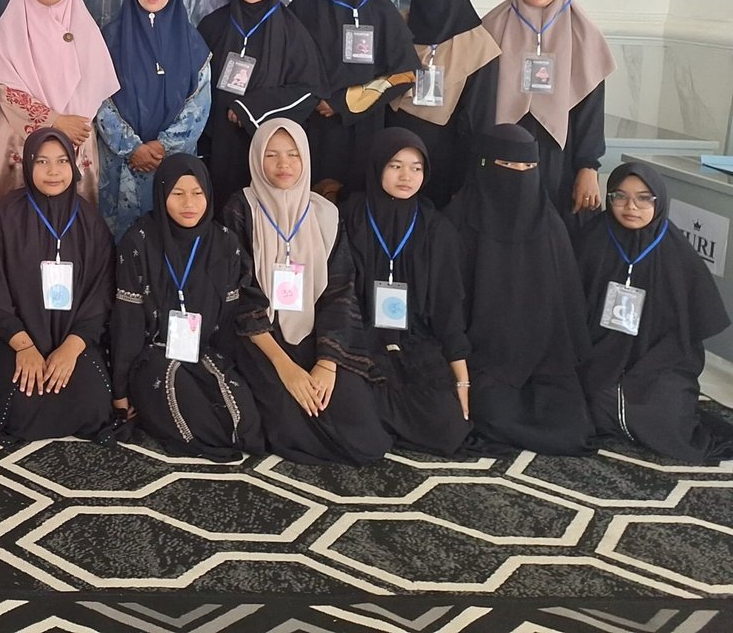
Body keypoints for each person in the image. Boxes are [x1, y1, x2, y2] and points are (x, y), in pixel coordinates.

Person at [224, 119, 392, 465]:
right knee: (288, 426)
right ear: (256, 158)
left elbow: (340, 291)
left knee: (366, 438)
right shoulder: (240, 209)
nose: (283, 164)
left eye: (293, 154)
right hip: (261, 337)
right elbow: (241, 293)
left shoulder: (325, 214)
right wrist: (285, 367)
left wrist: (327, 364)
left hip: (316, 334)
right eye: (271, 155)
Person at [445, 125, 594, 455]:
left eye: (529, 167)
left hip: (544, 360)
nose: (520, 174)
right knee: (489, 411)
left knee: (571, 426)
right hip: (479, 358)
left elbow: (565, 310)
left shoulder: (550, 226)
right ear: (484, 164)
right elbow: (446, 307)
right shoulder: (456, 222)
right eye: (508, 165)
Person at [574, 163, 733, 463]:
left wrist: (644, 368)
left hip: (660, 360)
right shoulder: (592, 239)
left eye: (644, 198)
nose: (631, 207)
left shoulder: (676, 252)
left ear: (659, 201)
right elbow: (570, 310)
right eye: (620, 196)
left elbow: (685, 334)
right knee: (584, 402)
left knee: (664, 413)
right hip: (596, 352)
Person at [110, 155, 265, 459]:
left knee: (243, 422)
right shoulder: (139, 241)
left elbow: (229, 320)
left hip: (205, 351)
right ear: (161, 194)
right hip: (153, 353)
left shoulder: (224, 243)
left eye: (197, 193)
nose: (189, 203)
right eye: (177, 193)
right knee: (190, 413)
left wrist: (225, 369)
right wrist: (120, 392)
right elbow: (127, 323)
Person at [0, 128, 115, 442]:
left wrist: (71, 348)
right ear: (27, 164)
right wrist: (23, 346)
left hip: (71, 337)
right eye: (42, 161)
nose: (53, 171)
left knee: (93, 401)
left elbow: (100, 292)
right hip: (11, 338)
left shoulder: (90, 222)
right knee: (18, 404)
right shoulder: (2, 218)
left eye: (62, 161)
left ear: (74, 165)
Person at [341, 129, 472, 457]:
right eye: (395, 166)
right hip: (357, 336)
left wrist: (462, 379)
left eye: (416, 168)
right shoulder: (349, 216)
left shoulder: (435, 228)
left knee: (448, 426)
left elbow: (447, 307)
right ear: (377, 166)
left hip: (414, 340)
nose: (406, 176)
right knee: (355, 406)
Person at [481, 0, 615, 218]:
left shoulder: (583, 33)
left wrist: (588, 167)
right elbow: (477, 101)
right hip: (502, 150)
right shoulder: (493, 26)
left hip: (559, 157)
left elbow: (591, 110)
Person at [0, 0, 118, 214]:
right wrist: (55, 121)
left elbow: (95, 84)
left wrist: (70, 125)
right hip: (18, 132)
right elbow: (5, 88)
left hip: (75, 132)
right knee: (14, 216)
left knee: (71, 215)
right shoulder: (11, 27)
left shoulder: (85, 28)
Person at [289, 0, 419, 199]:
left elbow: (405, 73)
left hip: (365, 125)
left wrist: (345, 102)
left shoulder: (381, 9)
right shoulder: (301, 8)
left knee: (359, 194)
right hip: (312, 122)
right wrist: (314, 99)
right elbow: (286, 66)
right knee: (312, 196)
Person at [196, 0, 325, 204]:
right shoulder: (213, 25)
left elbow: (310, 89)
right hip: (215, 142)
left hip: (266, 146)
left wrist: (251, 108)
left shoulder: (291, 31)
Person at [96, 0, 212, 240]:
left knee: (168, 238)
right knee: (117, 241)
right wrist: (132, 147)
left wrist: (163, 146)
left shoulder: (192, 43)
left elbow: (199, 104)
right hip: (120, 162)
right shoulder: (109, 39)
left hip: (171, 164)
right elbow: (98, 98)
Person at [387, 0, 501, 207]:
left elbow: (478, 119)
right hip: (391, 148)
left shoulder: (480, 46)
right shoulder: (398, 28)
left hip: (443, 156)